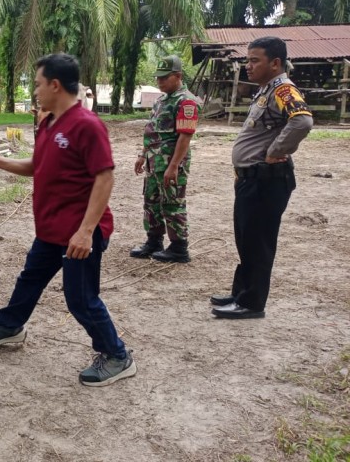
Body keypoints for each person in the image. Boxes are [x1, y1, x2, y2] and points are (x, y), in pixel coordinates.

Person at [0, 53, 136, 387]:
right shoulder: (48, 122)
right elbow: (37, 166)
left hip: (78, 234)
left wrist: (86, 231)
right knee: (29, 279)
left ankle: (117, 355)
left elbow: (104, 177)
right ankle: (10, 326)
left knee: (81, 299)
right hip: (51, 230)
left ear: (55, 85)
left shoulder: (87, 125)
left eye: (37, 84)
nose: (35, 90)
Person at [211, 36, 312, 319]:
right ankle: (241, 292)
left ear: (275, 63)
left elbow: (302, 121)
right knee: (246, 238)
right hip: (251, 179)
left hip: (266, 178)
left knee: (258, 241)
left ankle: (252, 303)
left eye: (255, 60)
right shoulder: (266, 90)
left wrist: (275, 151)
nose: (248, 66)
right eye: (248, 60)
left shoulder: (283, 89)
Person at [130, 55, 199, 263]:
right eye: (157, 77)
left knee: (172, 202)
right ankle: (154, 241)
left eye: (164, 78)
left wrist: (174, 166)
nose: (159, 82)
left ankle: (179, 248)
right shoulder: (161, 100)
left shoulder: (186, 101)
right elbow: (152, 130)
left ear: (177, 76)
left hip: (171, 161)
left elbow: (185, 136)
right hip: (154, 160)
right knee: (151, 201)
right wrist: (143, 154)